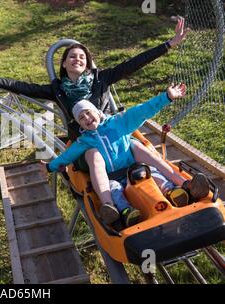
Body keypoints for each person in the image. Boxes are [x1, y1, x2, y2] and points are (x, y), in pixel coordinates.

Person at [0, 17, 189, 220]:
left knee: (136, 146)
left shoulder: (101, 79)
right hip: (87, 145)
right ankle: (111, 205)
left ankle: (180, 184)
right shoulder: (58, 90)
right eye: (72, 56)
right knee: (94, 153)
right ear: (64, 64)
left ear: (88, 63)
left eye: (82, 57)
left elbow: (133, 64)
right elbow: (23, 88)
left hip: (113, 136)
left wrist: (169, 44)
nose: (77, 59)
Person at [42, 83, 209, 227]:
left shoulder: (118, 122)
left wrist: (167, 97)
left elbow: (141, 110)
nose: (86, 118)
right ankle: (122, 211)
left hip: (135, 168)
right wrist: (50, 166)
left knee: (155, 176)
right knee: (114, 191)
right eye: (81, 118)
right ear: (80, 125)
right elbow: (68, 155)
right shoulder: (85, 141)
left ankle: (180, 189)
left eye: (88, 112)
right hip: (112, 176)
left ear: (97, 112)